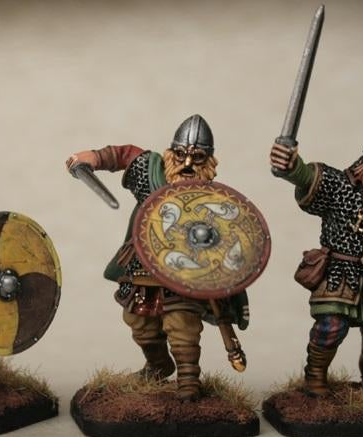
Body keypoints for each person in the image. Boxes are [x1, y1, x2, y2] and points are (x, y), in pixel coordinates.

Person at [66, 114, 248, 401]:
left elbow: (229, 243)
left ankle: (188, 383)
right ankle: (158, 365)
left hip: (187, 273)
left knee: (182, 326)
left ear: (209, 162)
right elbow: (125, 155)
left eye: (197, 158)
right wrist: (93, 157)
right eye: (180, 155)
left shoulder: (214, 202)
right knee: (139, 322)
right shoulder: (151, 173)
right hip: (144, 267)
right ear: (170, 153)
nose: (187, 163)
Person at [270, 122, 363, 396]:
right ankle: (315, 375)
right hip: (339, 273)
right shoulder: (338, 187)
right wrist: (289, 165)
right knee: (330, 327)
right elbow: (305, 177)